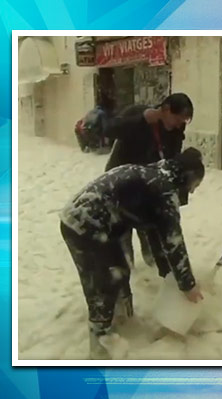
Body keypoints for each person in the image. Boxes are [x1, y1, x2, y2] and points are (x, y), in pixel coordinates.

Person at [60, 148, 205, 359]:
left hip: (95, 222)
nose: (191, 192)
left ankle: (123, 320)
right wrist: (187, 284)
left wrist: (168, 273)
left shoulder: (156, 175)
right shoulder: (164, 192)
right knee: (103, 284)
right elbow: (174, 242)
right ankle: (100, 344)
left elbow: (157, 234)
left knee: (119, 271)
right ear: (188, 177)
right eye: (195, 186)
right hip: (84, 225)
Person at [102, 93, 194, 268]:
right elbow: (109, 129)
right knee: (122, 228)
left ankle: (154, 266)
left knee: (150, 229)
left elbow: (172, 161)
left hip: (148, 186)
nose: (179, 124)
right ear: (166, 109)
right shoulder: (139, 114)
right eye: (178, 119)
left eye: (184, 121)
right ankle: (126, 268)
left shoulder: (175, 131)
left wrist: (177, 197)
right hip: (121, 182)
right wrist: (141, 120)